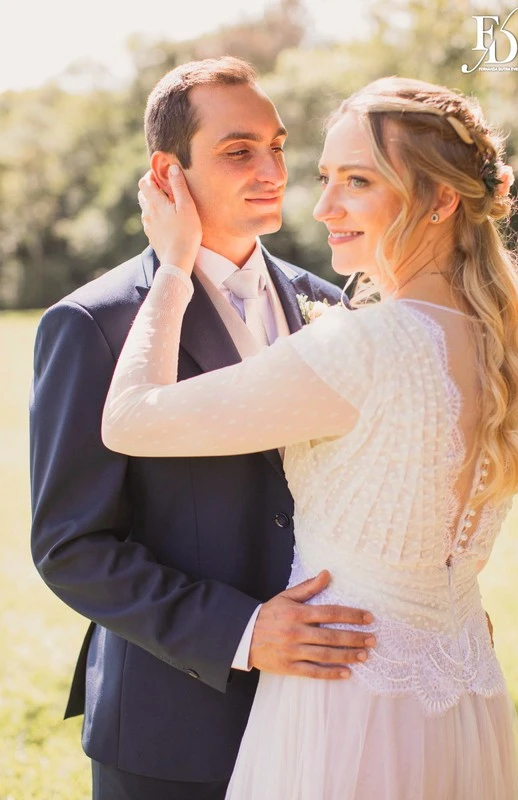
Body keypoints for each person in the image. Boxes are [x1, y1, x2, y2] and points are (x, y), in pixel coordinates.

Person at [102, 76, 518, 799]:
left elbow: (130, 419)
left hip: (348, 699)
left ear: (441, 199)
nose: (322, 205)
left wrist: (173, 266)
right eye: (325, 176)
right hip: (459, 688)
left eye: (357, 180)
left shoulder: (364, 343)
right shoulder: (506, 342)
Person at [29, 57, 376, 800]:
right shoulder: (94, 325)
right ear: (168, 172)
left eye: (278, 145)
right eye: (237, 150)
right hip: (175, 727)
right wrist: (243, 631)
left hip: (330, 708)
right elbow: (71, 546)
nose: (271, 168)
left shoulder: (331, 305)